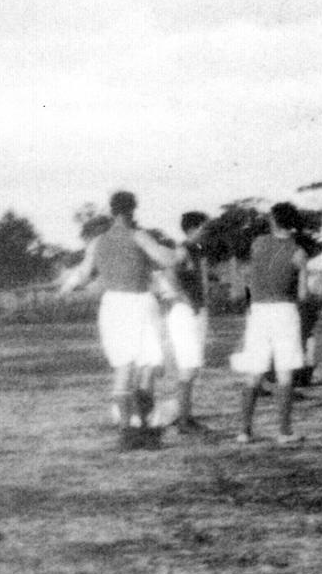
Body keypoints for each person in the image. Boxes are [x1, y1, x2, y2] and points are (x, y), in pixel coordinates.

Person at [59, 190, 178, 450]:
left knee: (124, 369)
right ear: (133, 210)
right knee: (147, 368)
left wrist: (67, 286)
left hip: (113, 306)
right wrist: (182, 251)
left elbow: (81, 273)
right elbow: (166, 258)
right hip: (139, 303)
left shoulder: (98, 242)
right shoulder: (138, 236)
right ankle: (143, 429)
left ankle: (129, 433)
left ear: (112, 211)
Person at [231, 202, 310, 443]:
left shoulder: (258, 243)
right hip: (284, 310)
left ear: (274, 220)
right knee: (285, 372)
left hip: (258, 310)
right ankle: (284, 432)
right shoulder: (299, 253)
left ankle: (245, 430)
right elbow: (304, 295)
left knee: (254, 371)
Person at [165, 211, 213, 434]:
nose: (207, 232)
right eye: (204, 228)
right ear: (193, 229)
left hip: (196, 312)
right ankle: (184, 421)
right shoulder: (183, 249)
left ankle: (185, 416)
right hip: (185, 313)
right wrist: (185, 298)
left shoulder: (198, 251)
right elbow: (170, 274)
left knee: (192, 367)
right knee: (188, 367)